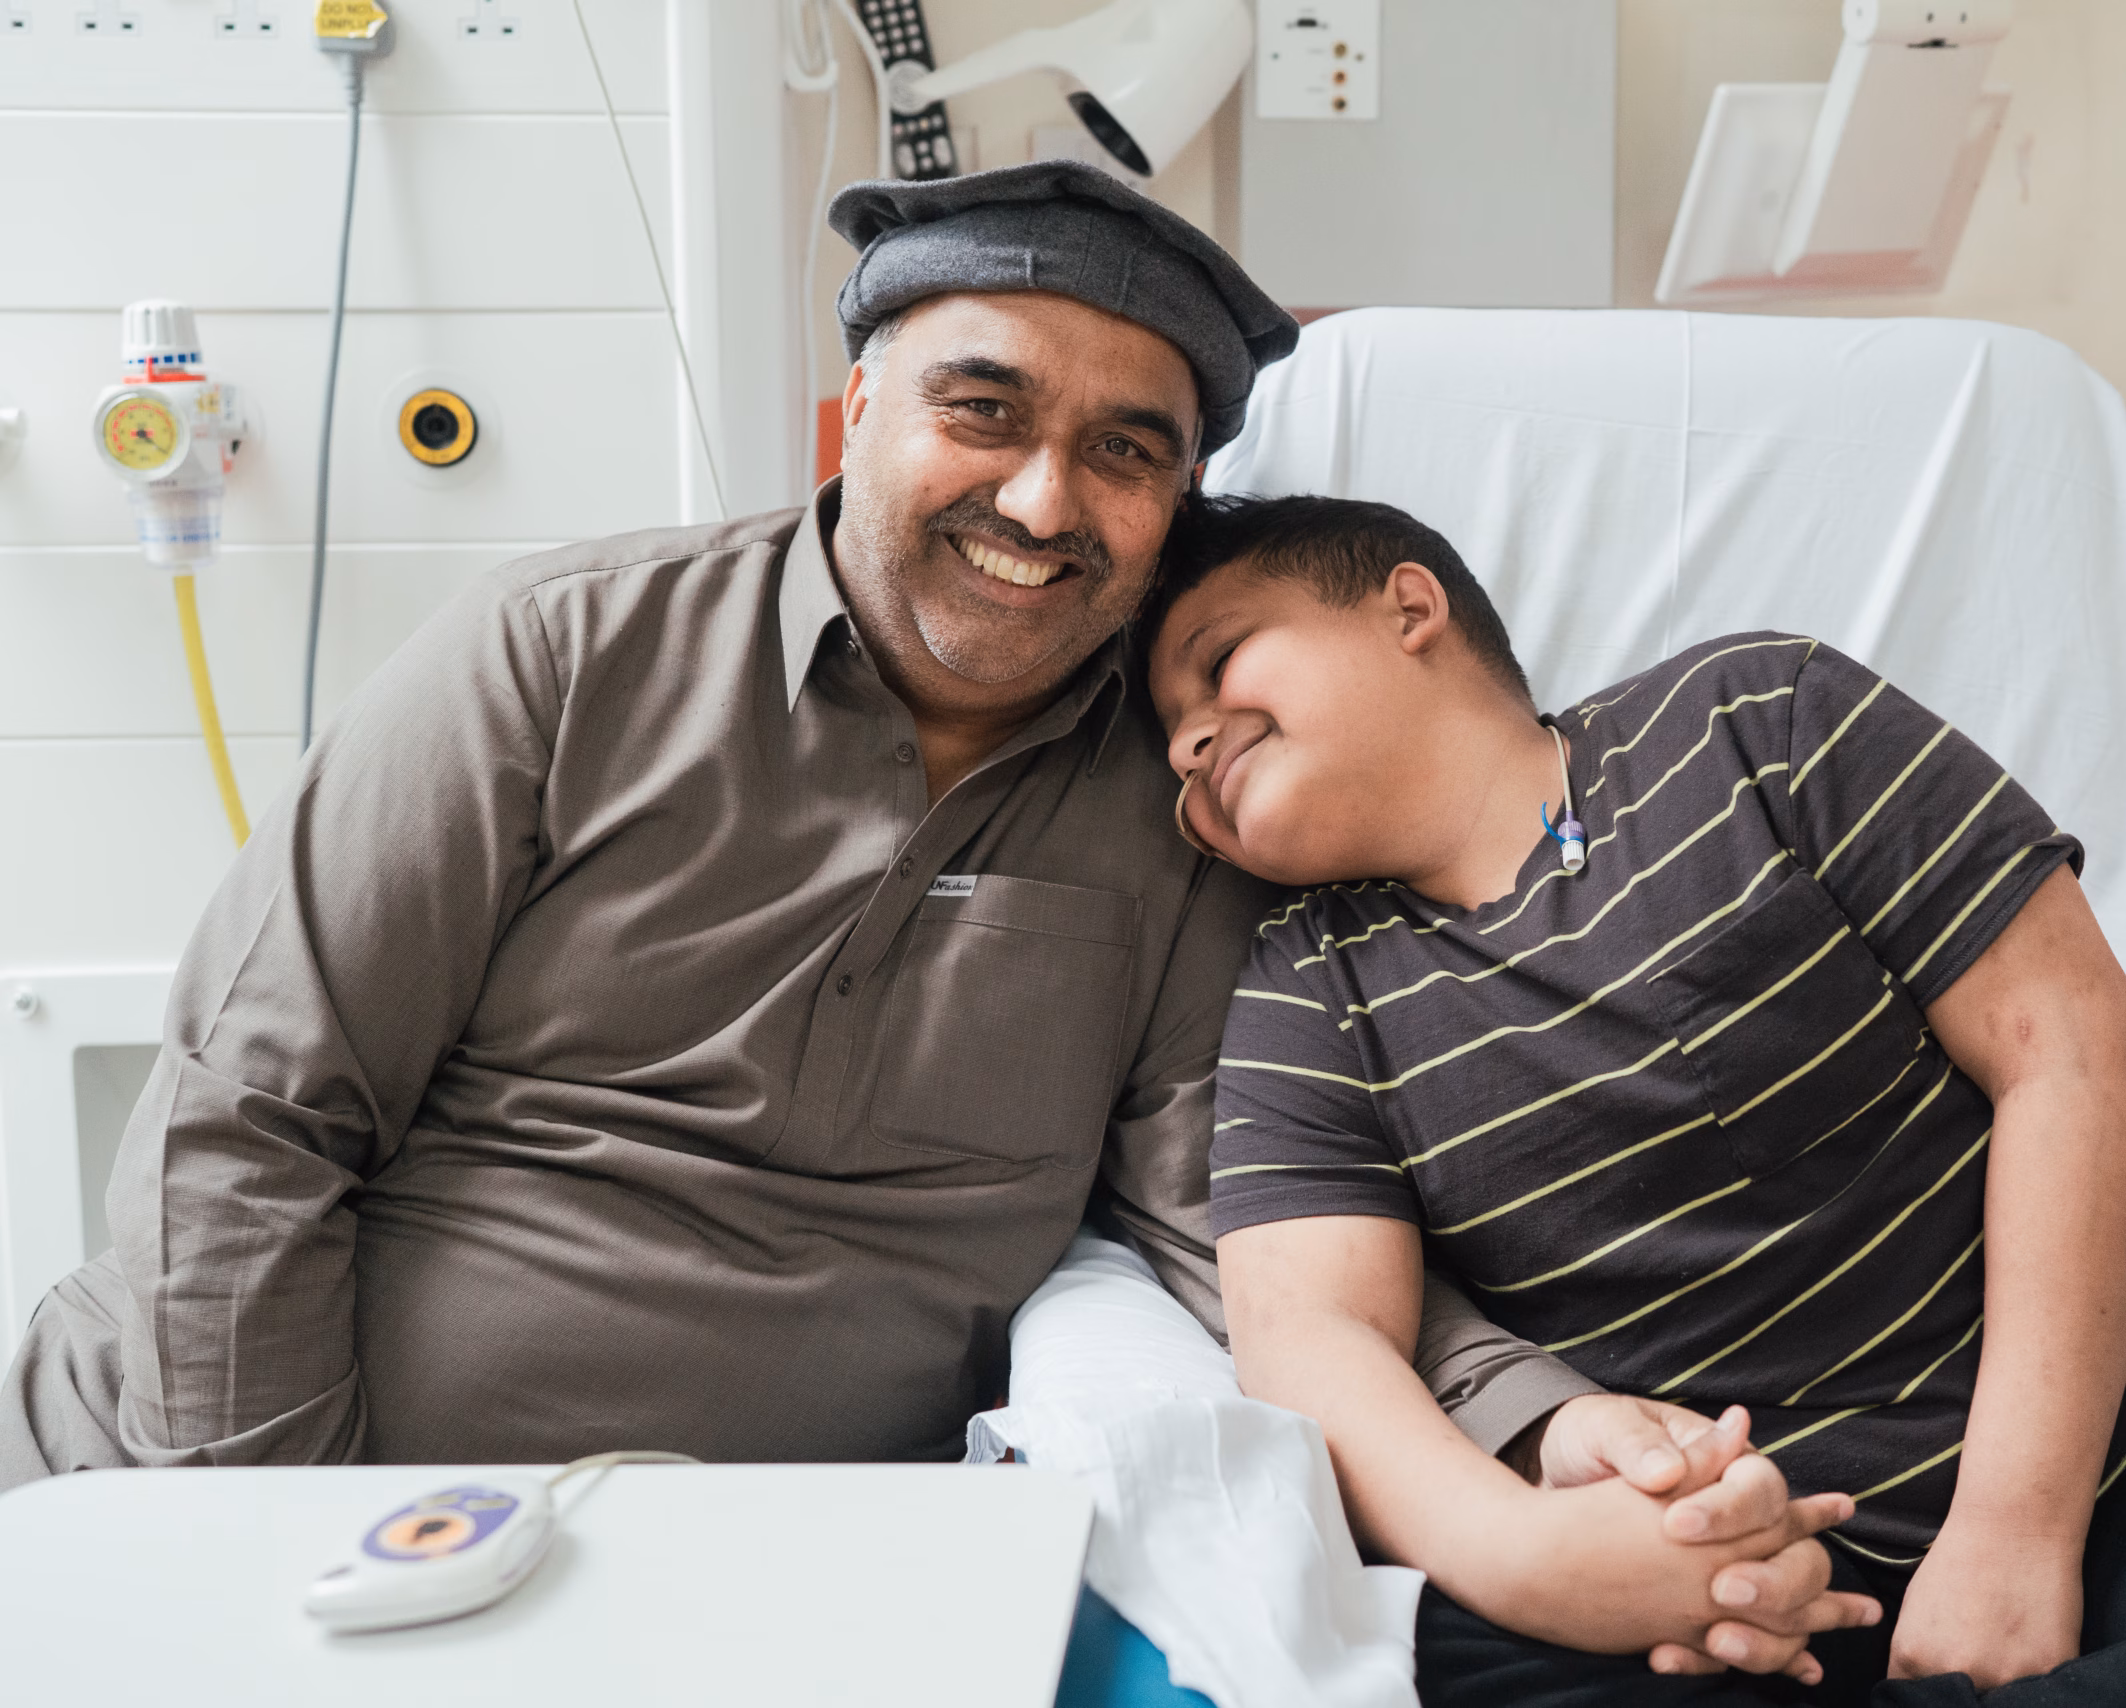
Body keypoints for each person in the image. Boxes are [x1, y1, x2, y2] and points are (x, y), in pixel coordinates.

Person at [0, 162, 1867, 1683]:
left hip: (758, 1591)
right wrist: (255, 1552)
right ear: (861, 405)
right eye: (985, 411)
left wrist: (1549, 1433)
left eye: (1127, 454)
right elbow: (252, 1112)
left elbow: (1249, 1219)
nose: (1044, 499)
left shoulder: (1186, 800)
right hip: (220, 1492)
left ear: (1177, 502)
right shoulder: (562, 655)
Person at [1144, 491, 2126, 1705]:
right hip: (1705, 1588)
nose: (1191, 745)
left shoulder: (1751, 718)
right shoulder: (1302, 991)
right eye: (1173, 744)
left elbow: (2075, 1051)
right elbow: (1311, 1335)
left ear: (1408, 606)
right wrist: (1531, 1561)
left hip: (2111, 1476)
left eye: (1219, 667)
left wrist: (2014, 1530)